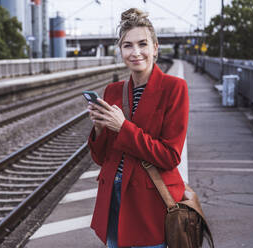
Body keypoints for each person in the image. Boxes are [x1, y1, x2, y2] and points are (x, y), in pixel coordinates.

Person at [87, 8, 189, 248]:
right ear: (120, 51)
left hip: (149, 201)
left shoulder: (174, 88)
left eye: (142, 44)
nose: (136, 52)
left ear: (155, 47)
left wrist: (122, 127)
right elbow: (102, 158)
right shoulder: (113, 91)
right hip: (112, 197)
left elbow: (170, 156)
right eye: (127, 46)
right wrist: (100, 130)